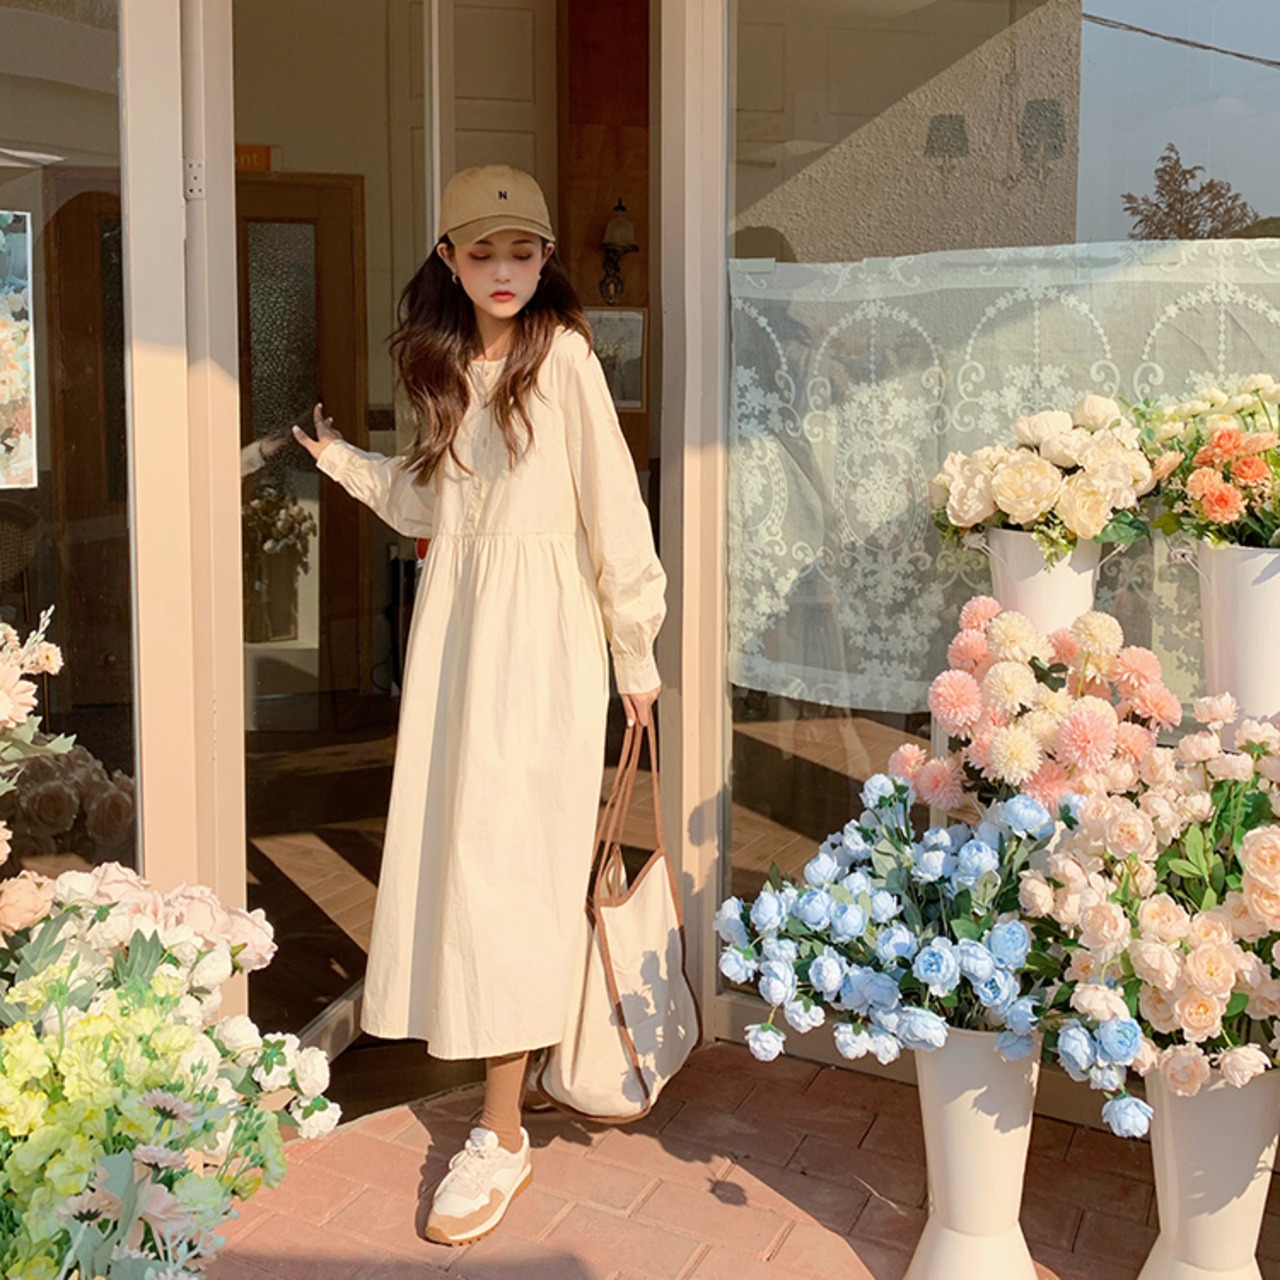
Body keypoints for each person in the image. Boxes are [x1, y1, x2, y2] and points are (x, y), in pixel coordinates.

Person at [291, 164, 666, 1246]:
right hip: (457, 638)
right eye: (482, 250)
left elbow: (614, 511)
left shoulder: (568, 360)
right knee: (467, 854)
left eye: (523, 251)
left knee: (507, 865)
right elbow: (431, 501)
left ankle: (499, 1131)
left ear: (546, 258)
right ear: (447, 259)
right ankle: (524, 1070)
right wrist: (341, 460)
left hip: (541, 644)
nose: (504, 269)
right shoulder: (446, 366)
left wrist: (634, 651)